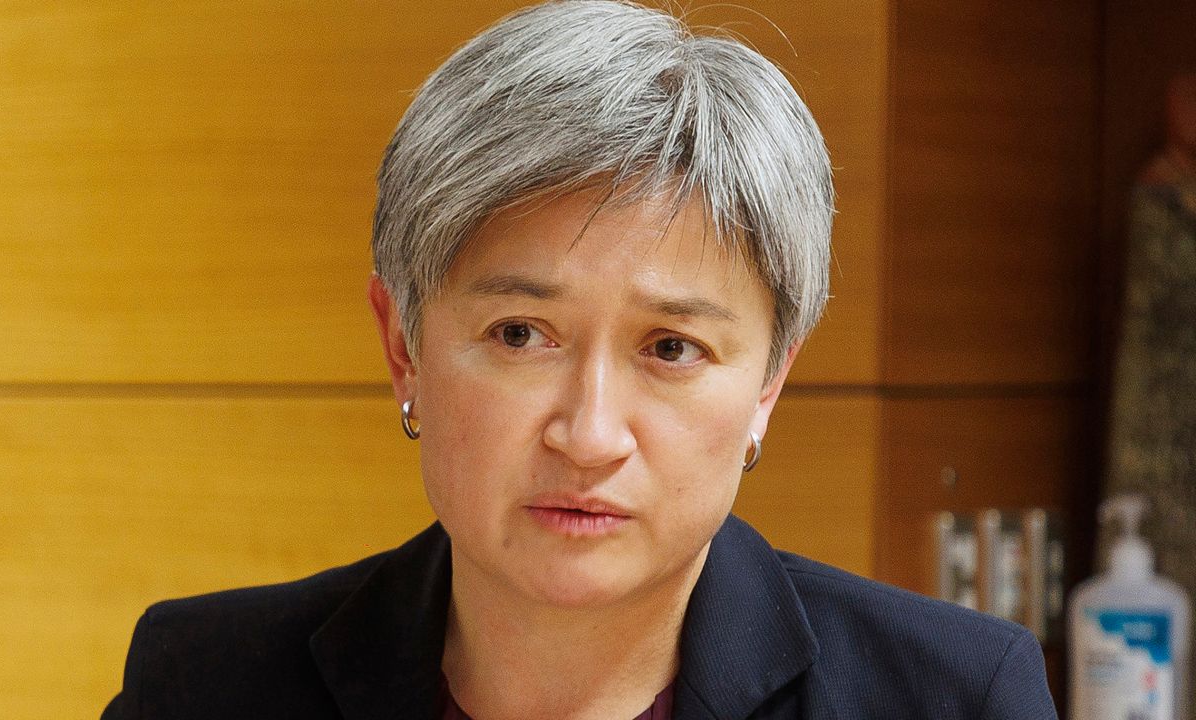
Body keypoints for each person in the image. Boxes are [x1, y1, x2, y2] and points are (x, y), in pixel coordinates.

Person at [102, 2, 1058, 718]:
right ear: (403, 348)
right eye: (521, 334)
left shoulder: (952, 697)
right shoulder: (203, 682)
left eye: (672, 347)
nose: (590, 435)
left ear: (769, 382)